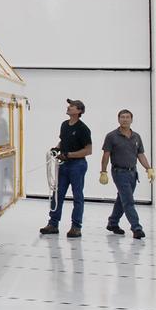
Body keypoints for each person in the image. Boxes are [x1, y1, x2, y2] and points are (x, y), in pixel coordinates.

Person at [97, 109, 154, 239]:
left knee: (121, 199)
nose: (125, 119)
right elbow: (106, 155)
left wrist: (149, 168)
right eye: (122, 117)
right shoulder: (111, 136)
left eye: (127, 117)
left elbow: (140, 154)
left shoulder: (136, 137)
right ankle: (136, 228)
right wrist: (103, 171)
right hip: (119, 172)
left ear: (131, 120)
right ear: (118, 119)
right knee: (128, 201)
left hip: (133, 173)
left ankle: (113, 223)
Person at [40, 99, 92, 238]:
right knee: (57, 194)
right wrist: (57, 148)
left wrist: (69, 155)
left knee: (77, 196)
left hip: (77, 165)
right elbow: (63, 140)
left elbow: (88, 150)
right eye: (69, 105)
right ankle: (53, 224)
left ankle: (76, 227)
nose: (68, 107)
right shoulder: (64, 125)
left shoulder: (83, 129)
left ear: (79, 111)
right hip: (64, 165)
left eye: (72, 106)